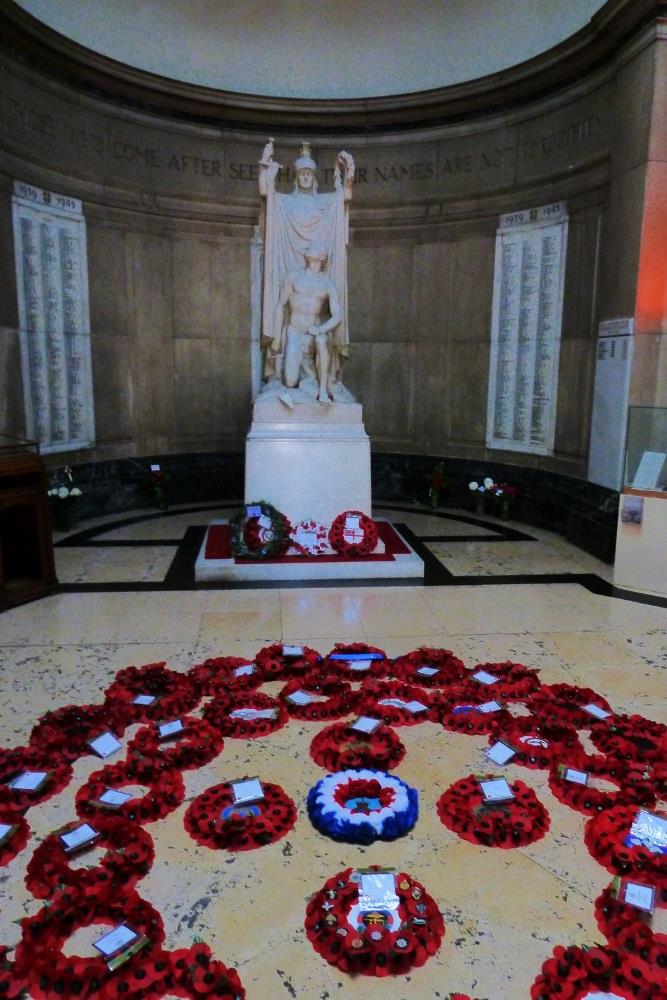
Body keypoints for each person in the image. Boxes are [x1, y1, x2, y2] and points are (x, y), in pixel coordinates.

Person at [257, 140, 354, 394]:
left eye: (310, 173)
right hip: (293, 317)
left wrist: (349, 177)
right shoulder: (285, 203)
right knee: (289, 381)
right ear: (297, 177)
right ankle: (287, 373)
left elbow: (344, 197)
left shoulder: (325, 204)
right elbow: (267, 194)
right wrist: (265, 167)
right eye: (302, 173)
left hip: (314, 327)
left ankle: (320, 382)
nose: (307, 177)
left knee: (320, 341)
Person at [272, 246, 341, 403]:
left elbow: (338, 316)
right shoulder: (293, 277)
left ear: (322, 256)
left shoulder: (327, 284)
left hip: (313, 335)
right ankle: (303, 387)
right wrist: (276, 339)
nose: (310, 248)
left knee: (323, 339)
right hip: (294, 333)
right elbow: (281, 306)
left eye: (315, 247)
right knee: (290, 381)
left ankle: (322, 391)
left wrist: (321, 329)